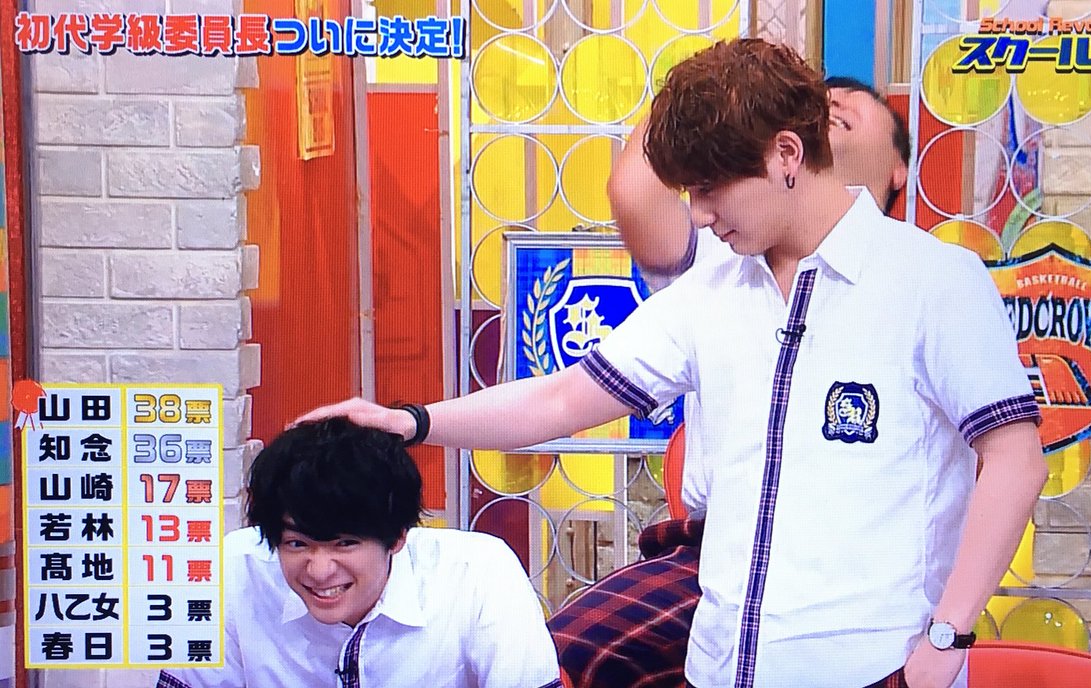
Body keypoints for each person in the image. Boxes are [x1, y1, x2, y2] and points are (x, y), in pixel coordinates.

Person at [297, 38, 1046, 688]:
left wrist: (948, 637)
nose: (698, 215)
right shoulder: (715, 291)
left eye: (711, 189)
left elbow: (1015, 461)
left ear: (787, 155)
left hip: (873, 666)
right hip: (719, 663)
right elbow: (563, 399)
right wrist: (411, 421)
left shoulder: (931, 282)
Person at [546, 75, 915, 688]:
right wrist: (701, 87)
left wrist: (947, 629)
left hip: (860, 569)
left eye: (858, 106)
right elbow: (634, 192)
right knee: (562, 657)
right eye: (822, 101)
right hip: (715, 548)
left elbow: (999, 461)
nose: (837, 101)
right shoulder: (726, 253)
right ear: (787, 148)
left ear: (900, 167)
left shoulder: (924, 281)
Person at [156, 418, 562, 688]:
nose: (319, 571)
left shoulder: (479, 572)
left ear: (397, 537)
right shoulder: (232, 569)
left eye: (344, 543)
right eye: (297, 543)